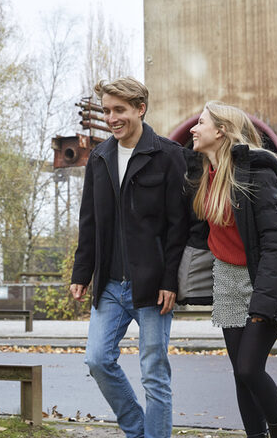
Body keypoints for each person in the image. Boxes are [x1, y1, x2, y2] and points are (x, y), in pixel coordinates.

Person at [70, 76, 188, 438]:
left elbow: (178, 227)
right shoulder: (101, 158)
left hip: (152, 286)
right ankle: (139, 429)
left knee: (154, 373)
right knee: (97, 360)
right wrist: (82, 272)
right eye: (106, 110)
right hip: (109, 283)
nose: (111, 118)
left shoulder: (168, 155)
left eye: (119, 110)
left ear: (140, 108)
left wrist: (170, 280)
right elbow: (89, 221)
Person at [188, 101, 277, 438]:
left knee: (250, 369)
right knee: (239, 373)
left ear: (220, 131)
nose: (193, 128)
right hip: (227, 280)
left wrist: (263, 303)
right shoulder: (203, 174)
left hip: (261, 282)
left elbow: (275, 243)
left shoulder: (255, 172)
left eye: (201, 123)